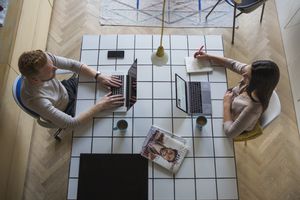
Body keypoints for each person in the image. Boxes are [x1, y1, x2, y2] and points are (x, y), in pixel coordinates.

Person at [18, 50, 124, 129]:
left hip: (66, 88)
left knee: (101, 88)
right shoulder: (36, 100)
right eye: (51, 71)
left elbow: (73, 65)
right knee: (105, 117)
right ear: (35, 79)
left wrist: (97, 76)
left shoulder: (45, 59)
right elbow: (71, 124)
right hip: (65, 109)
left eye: (53, 65)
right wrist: (100, 106)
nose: (56, 68)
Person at [194, 50, 280, 138]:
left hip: (231, 119)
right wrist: (208, 57)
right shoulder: (252, 75)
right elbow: (233, 64)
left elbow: (230, 133)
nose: (243, 75)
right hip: (229, 102)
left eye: (247, 77)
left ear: (257, 85)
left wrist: (226, 104)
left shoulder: (253, 108)